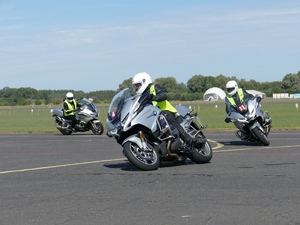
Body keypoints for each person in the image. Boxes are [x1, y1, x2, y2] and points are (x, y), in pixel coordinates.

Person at [132, 72, 206, 149]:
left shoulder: (154, 87)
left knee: (166, 116)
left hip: (167, 112)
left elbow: (163, 95)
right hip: (155, 118)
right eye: (136, 85)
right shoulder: (141, 97)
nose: (137, 87)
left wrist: (154, 98)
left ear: (144, 81)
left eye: (138, 85)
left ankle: (189, 140)